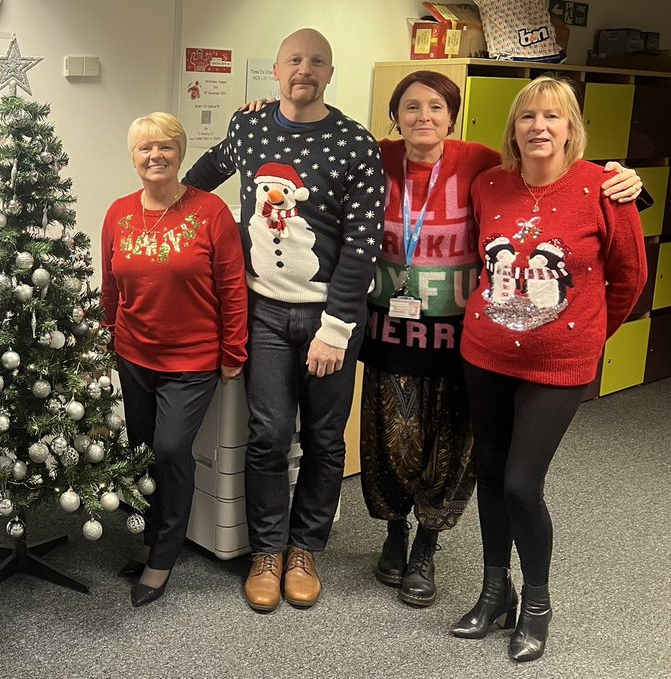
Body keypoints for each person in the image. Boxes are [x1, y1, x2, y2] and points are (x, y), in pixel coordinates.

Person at [356, 71, 643, 609]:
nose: (424, 117)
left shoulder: (478, 163)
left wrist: (628, 179)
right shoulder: (379, 157)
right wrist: (263, 113)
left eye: (436, 107)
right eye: (411, 107)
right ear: (394, 116)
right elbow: (316, 153)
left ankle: (426, 547)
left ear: (453, 117)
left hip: (459, 331)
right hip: (402, 330)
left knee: (454, 449)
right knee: (390, 443)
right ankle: (395, 537)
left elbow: (558, 177)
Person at [183, 28, 384, 612]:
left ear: (329, 72)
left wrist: (336, 329)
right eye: (294, 59)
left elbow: (362, 245)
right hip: (263, 313)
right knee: (268, 438)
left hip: (330, 316)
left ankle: (305, 549)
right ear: (276, 69)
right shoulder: (249, 127)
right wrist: (157, 212)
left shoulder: (355, 143)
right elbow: (200, 179)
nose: (305, 69)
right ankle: (267, 551)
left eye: (316, 61)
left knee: (324, 440)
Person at [451, 75, 646, 662]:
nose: (539, 126)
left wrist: (586, 338)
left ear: (571, 128)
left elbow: (630, 277)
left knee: (521, 483)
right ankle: (494, 591)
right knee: (488, 471)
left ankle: (536, 603)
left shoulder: (605, 190)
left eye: (553, 117)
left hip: (559, 365)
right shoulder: (489, 186)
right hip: (485, 354)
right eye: (528, 116)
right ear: (513, 128)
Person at [101, 113, 248, 607]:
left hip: (192, 358)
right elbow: (111, 284)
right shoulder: (119, 212)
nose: (155, 156)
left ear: (181, 152)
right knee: (143, 451)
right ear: (133, 156)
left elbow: (231, 288)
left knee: (168, 449)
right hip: (133, 352)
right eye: (145, 149)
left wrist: (233, 352)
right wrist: (106, 334)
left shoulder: (210, 212)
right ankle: (150, 542)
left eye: (165, 147)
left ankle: (165, 554)